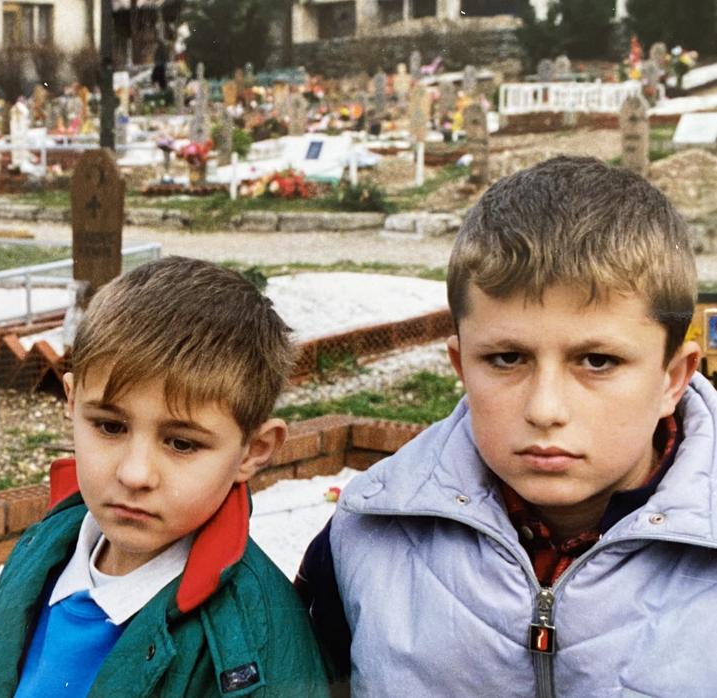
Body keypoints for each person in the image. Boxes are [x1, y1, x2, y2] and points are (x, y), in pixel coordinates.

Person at [297, 156, 717, 696]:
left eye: (597, 362)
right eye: (506, 359)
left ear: (672, 379)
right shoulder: (365, 537)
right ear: (461, 366)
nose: (545, 409)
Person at [0, 257, 330, 696]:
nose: (134, 474)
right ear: (73, 402)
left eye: (182, 443)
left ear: (254, 450)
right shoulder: (43, 548)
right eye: (110, 427)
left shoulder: (253, 645)